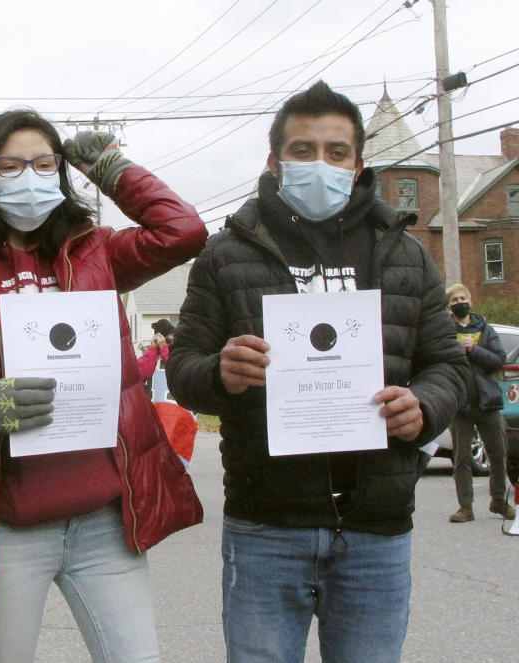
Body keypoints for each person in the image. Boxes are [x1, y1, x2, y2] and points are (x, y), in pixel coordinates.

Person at [166, 81, 468, 663]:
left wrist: (424, 405)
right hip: (266, 525)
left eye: (336, 152)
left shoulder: (406, 253)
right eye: (303, 151)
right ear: (275, 162)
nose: (320, 164)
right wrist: (221, 372)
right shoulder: (228, 252)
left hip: (377, 526)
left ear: (358, 166)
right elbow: (183, 369)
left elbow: (446, 366)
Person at [0, 109, 206, 663]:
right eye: (10, 165)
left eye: (45, 165)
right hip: (6, 524)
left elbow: (182, 231)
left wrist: (113, 169)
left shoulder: (98, 252)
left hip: (105, 522)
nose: (29, 178)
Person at [445, 283, 515, 522]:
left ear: (470, 301)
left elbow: (499, 361)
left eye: (462, 298)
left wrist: (474, 350)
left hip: (488, 401)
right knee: (462, 458)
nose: (459, 303)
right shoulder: (445, 331)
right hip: (461, 403)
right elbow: (438, 361)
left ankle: (498, 500)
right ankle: (465, 507)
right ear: (449, 306)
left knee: (498, 453)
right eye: (454, 300)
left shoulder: (486, 329)